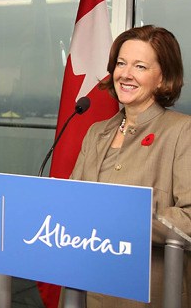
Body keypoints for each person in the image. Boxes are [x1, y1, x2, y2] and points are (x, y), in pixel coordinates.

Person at [71, 25, 191, 307]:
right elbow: (72, 201)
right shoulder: (96, 132)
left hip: (150, 293)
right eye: (121, 64)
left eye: (140, 66)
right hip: (88, 286)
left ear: (163, 78)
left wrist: (125, 221)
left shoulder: (182, 132)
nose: (126, 74)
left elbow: (189, 216)